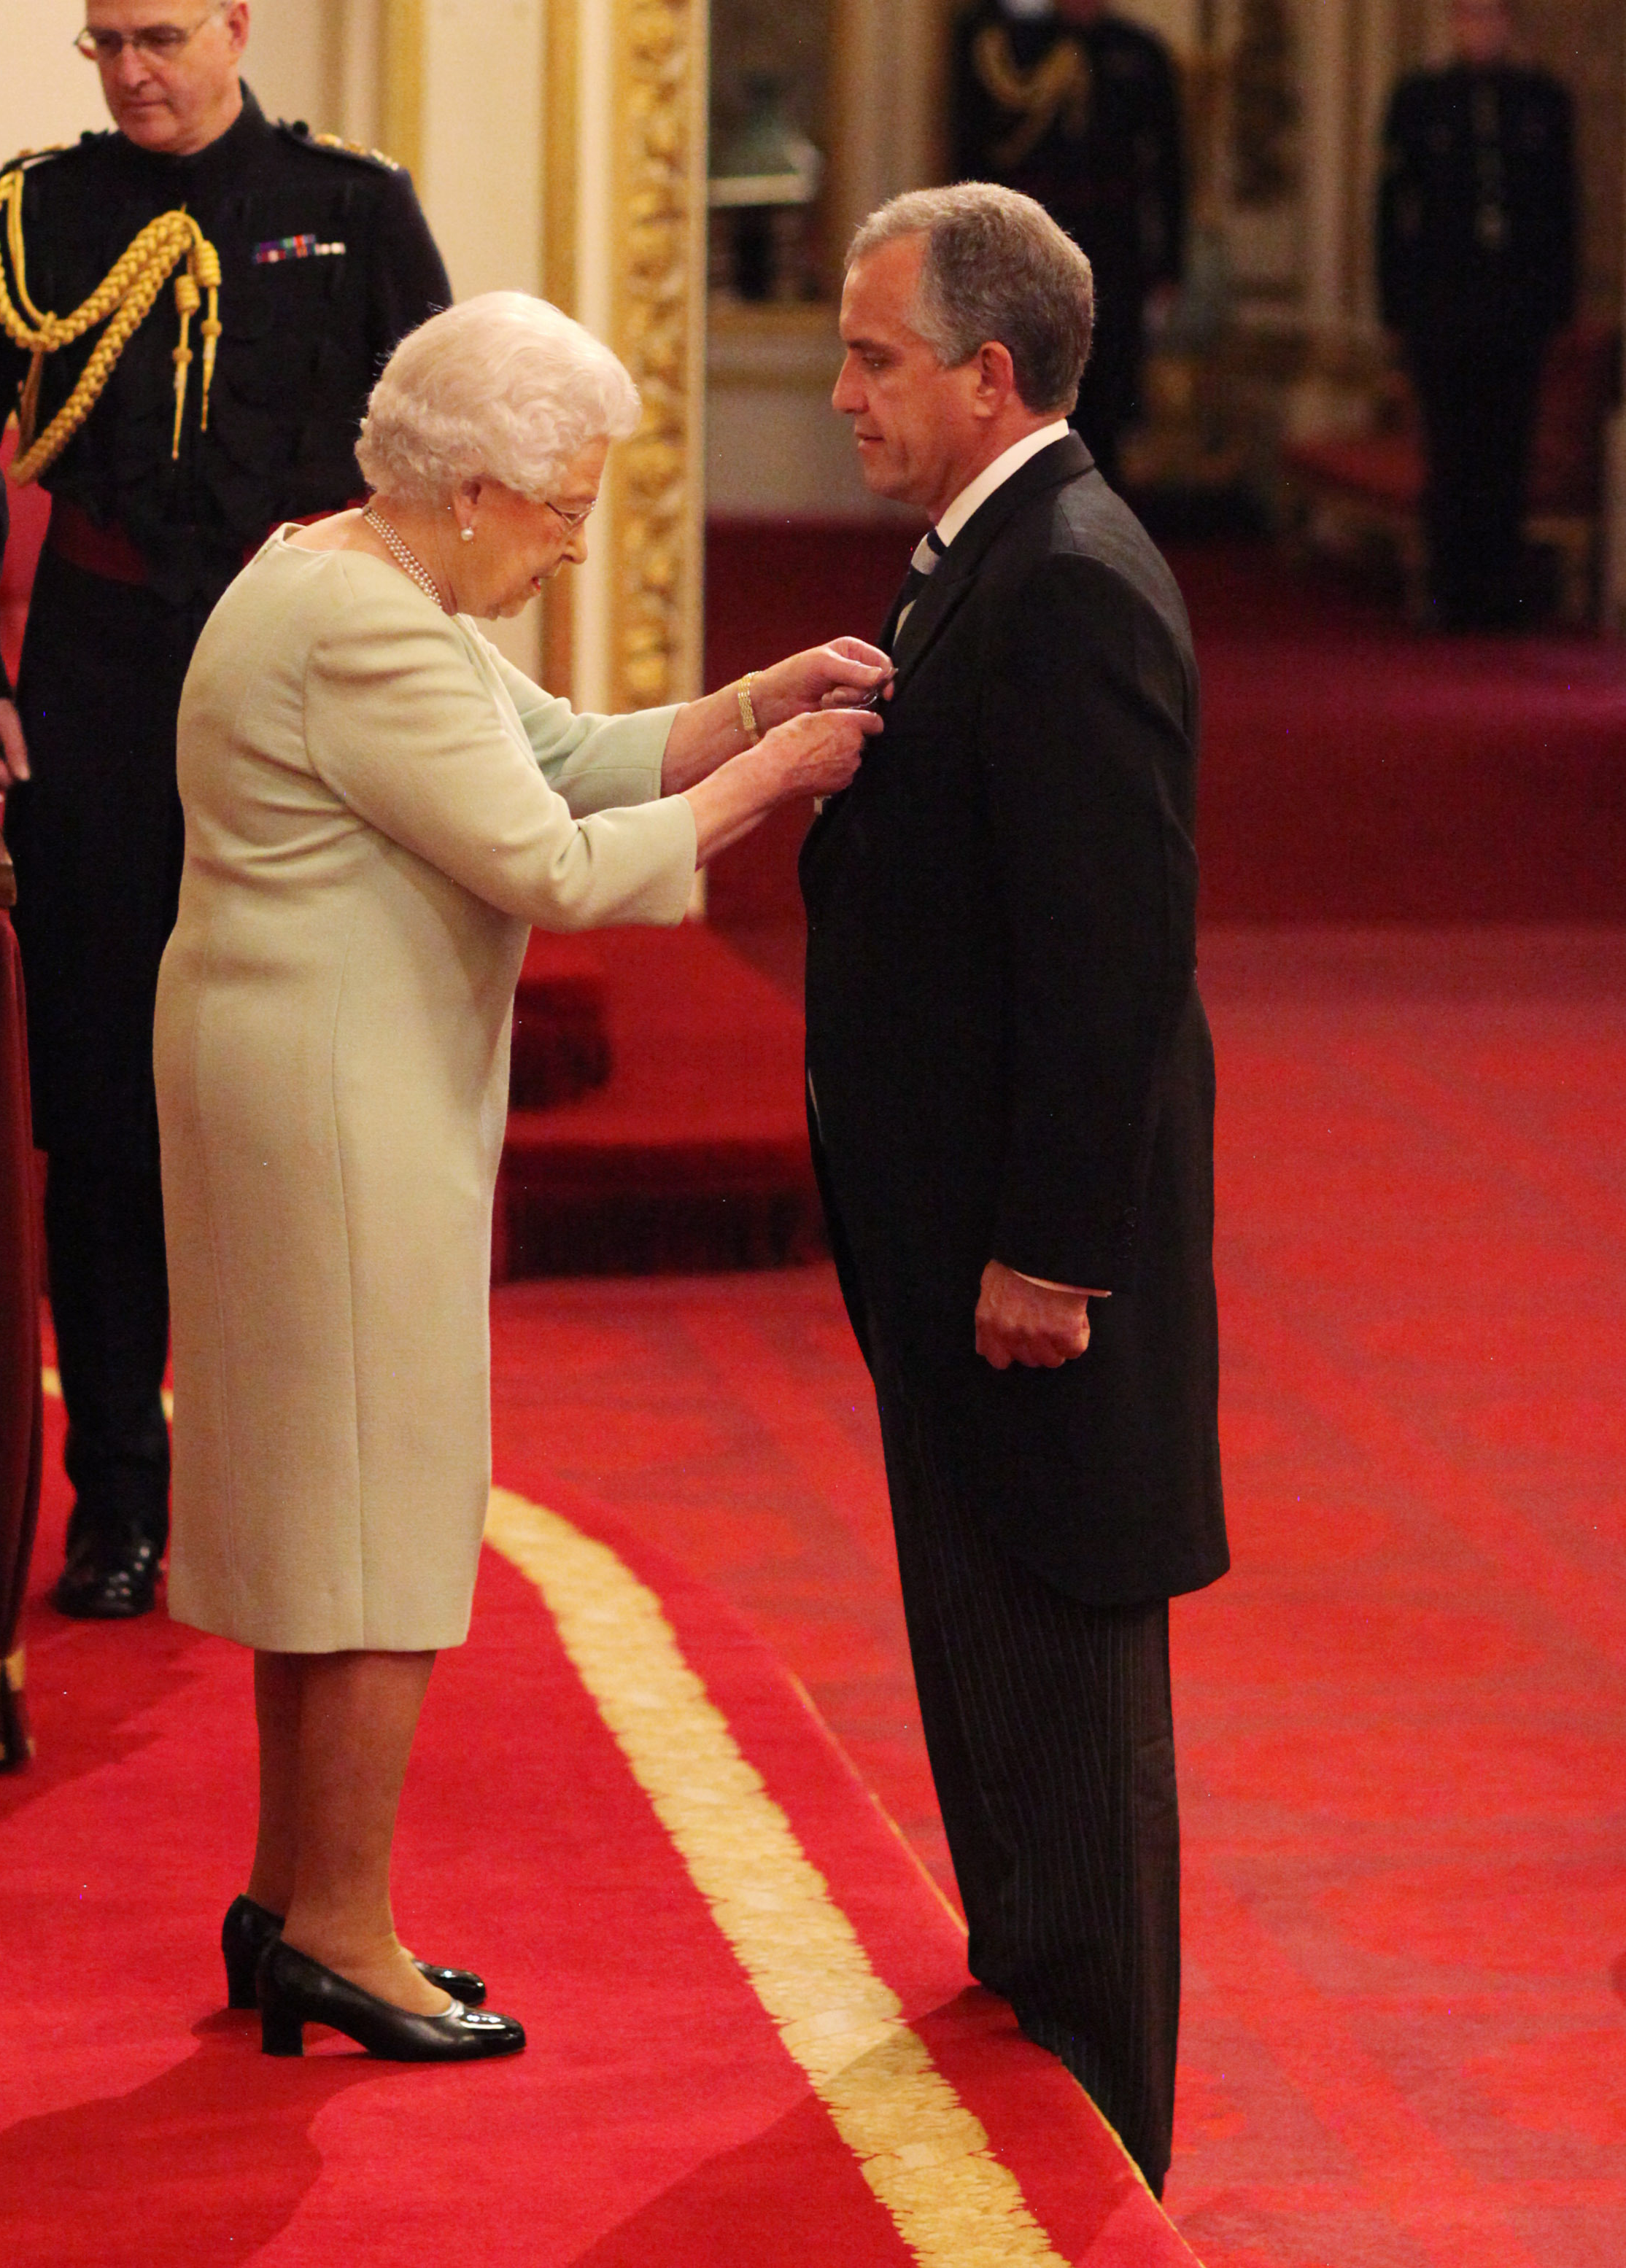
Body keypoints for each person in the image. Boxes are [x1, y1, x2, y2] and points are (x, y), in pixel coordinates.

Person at [156, 291, 890, 2060]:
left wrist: (753, 700)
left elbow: (555, 752)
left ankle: (291, 1900)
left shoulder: (353, 570)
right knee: (380, 1513)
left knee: (326, 1505)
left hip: (308, 1071)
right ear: (474, 488)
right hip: (336, 1098)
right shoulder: (369, 625)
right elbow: (554, 861)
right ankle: (342, 1929)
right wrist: (779, 777)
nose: (571, 545)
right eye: (563, 508)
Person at [0, 0, 450, 1620]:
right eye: (104, 44)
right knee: (103, 1106)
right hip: (103, 677)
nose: (132, 72)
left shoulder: (353, 207)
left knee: (308, 1097)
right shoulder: (38, 217)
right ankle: (120, 1499)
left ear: (234, 25)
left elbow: (443, 463)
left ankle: (296, 1492)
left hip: (304, 678)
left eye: (158, 36)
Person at [805, 183, 1227, 2191]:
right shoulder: (987, 551)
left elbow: (1110, 960)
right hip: (951, 1248)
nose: (840, 392)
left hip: (1027, 1273)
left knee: (1064, 1710)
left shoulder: (1065, 579)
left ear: (988, 373)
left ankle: (1102, 2157)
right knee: (993, 1688)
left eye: (871, 356)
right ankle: (1033, 2104)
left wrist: (1051, 1253)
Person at [1378, 0, 1576, 629]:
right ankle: (1450, 589)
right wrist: (1396, 305)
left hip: (1516, 309)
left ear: (1507, 23)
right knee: (1451, 450)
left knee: (1506, 450)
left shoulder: (1542, 101)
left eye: (1488, 16)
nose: (1478, 29)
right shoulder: (1421, 100)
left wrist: (1557, 304)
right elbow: (1392, 211)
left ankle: (1500, 592)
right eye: (1468, 16)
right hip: (1443, 306)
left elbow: (1564, 209)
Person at [949, 0, 1183, 483]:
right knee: (1025, 397)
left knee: (1106, 403)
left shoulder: (1139, 52)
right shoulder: (1011, 44)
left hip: (1112, 251)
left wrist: (1169, 265)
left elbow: (1170, 169)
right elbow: (975, 158)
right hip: (1027, 250)